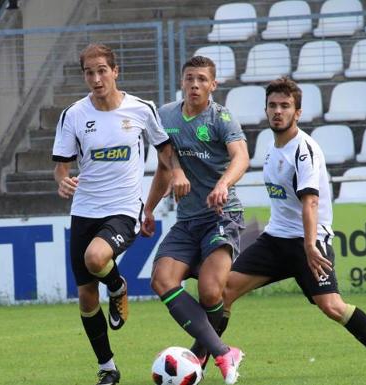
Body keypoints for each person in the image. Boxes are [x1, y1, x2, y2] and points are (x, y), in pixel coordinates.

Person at [220, 77, 366, 377]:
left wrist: (310, 246)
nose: (278, 111)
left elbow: (310, 202)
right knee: (222, 292)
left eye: (285, 106)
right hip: (276, 238)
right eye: (273, 105)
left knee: (332, 306)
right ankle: (206, 359)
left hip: (307, 242)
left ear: (297, 112)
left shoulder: (304, 150)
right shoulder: (270, 150)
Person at [52, 43, 185, 385]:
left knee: (97, 257)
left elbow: (165, 151)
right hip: (84, 210)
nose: (96, 79)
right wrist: (63, 181)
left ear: (115, 71)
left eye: (101, 71)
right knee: (85, 296)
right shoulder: (74, 115)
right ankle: (108, 367)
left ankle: (118, 285)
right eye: (89, 72)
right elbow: (61, 167)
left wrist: (178, 174)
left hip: (125, 208)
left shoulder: (141, 110)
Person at [141, 55, 249, 385]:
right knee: (161, 279)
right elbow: (164, 165)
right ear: (182, 82)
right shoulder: (167, 115)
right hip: (187, 220)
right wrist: (149, 209)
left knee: (210, 292)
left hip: (222, 215)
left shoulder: (221, 118)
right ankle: (223, 352)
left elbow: (241, 156)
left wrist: (222, 184)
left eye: (202, 79)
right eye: (189, 78)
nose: (195, 84)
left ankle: (209, 351)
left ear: (213, 85)